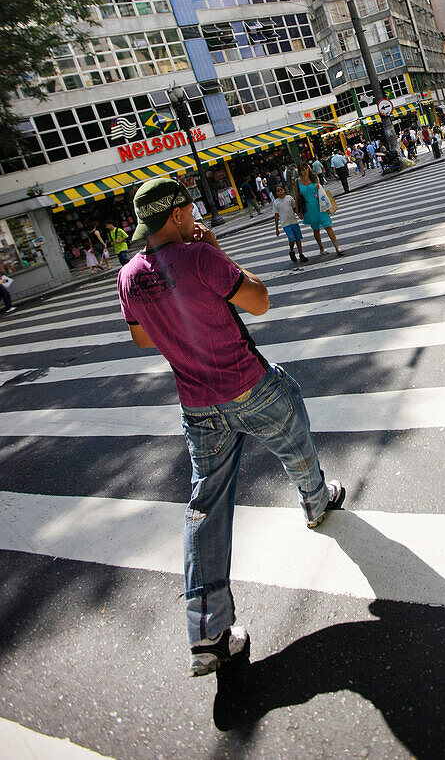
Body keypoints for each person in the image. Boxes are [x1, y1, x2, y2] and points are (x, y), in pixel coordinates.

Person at [118, 177, 344, 677]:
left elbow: (141, 339)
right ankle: (315, 500)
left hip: (197, 405)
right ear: (177, 215)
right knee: (294, 432)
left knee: (205, 507)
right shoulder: (200, 257)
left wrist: (182, 324)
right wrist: (217, 250)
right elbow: (259, 301)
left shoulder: (130, 275)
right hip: (247, 384)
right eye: (189, 209)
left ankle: (208, 632)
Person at [296, 162, 343, 256]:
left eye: (305, 168)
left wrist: (318, 187)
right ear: (299, 171)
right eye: (302, 169)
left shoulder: (314, 178)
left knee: (328, 226)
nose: (304, 170)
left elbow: (320, 191)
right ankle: (321, 247)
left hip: (320, 205)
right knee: (316, 229)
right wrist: (298, 212)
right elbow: (297, 196)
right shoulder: (297, 182)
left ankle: (337, 247)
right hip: (308, 208)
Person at [273, 184, 308, 265]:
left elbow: (294, 208)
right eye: (278, 191)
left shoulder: (289, 198)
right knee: (291, 239)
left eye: (281, 190)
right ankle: (291, 251)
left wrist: (299, 214)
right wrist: (277, 228)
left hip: (294, 222)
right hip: (285, 224)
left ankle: (301, 254)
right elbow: (276, 215)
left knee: (298, 239)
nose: (280, 192)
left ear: (284, 190)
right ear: (276, 193)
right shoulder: (276, 203)